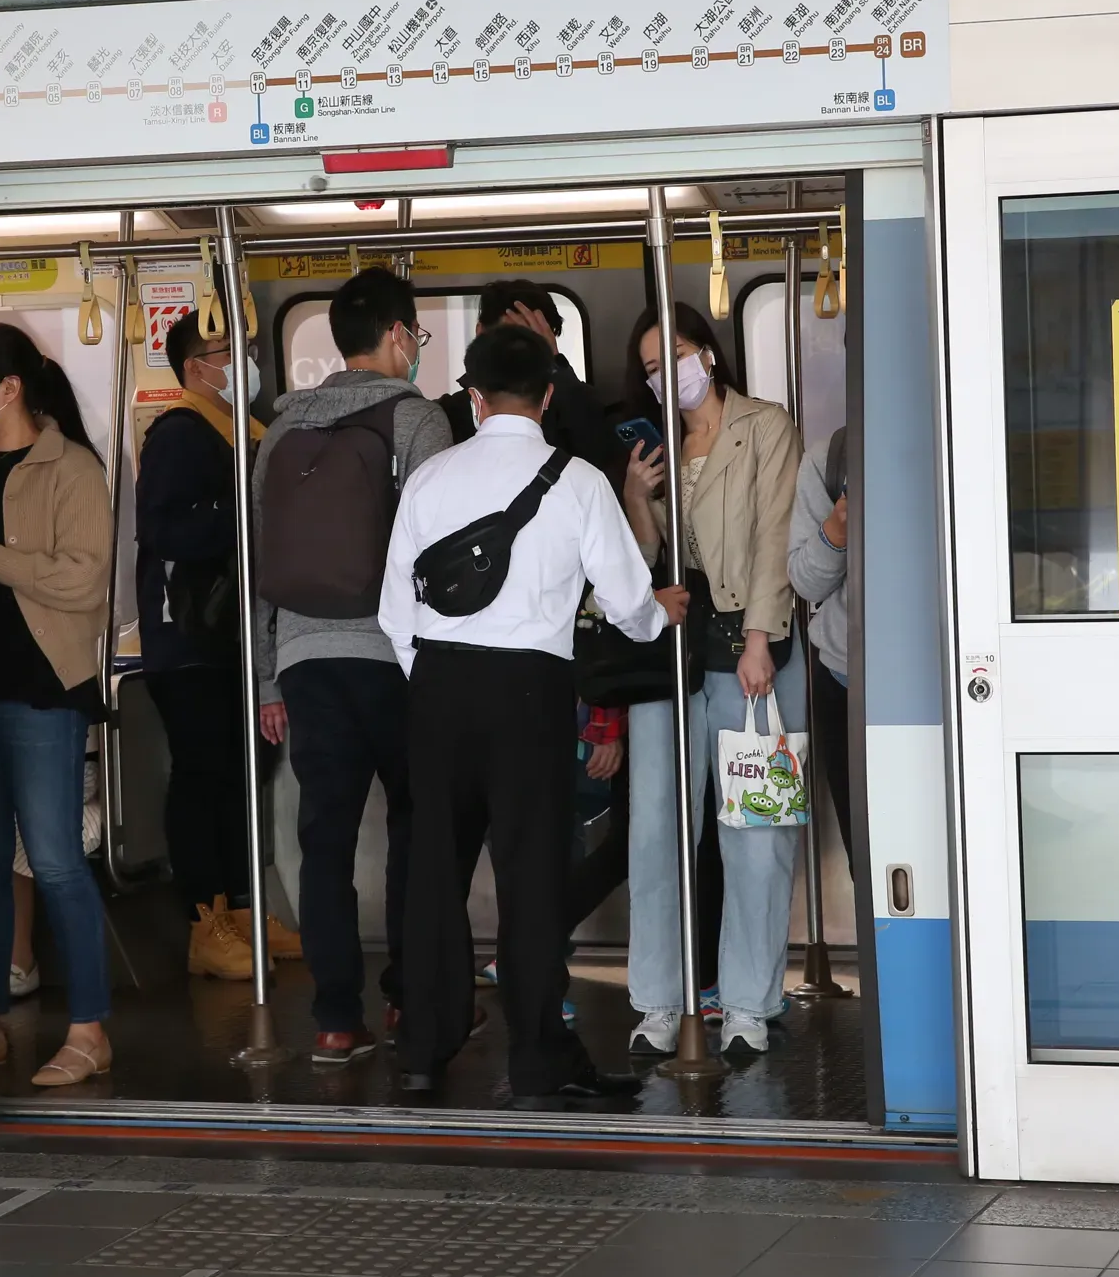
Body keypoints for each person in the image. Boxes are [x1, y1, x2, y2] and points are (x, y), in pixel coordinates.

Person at [379, 324, 689, 1110]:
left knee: (432, 879)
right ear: (549, 395)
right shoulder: (578, 480)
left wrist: (438, 678)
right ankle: (538, 1061)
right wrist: (661, 615)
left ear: (473, 399)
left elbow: (394, 615)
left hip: (440, 691)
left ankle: (422, 1051)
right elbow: (625, 604)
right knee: (532, 881)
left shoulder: (431, 479)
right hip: (531, 695)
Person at [250, 268, 454, 1064]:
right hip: (396, 658)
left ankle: (337, 1018)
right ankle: (408, 998)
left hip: (304, 658)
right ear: (400, 335)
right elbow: (443, 553)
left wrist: (270, 678)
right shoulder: (417, 419)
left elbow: (264, 561)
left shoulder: (281, 428)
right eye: (417, 337)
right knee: (416, 827)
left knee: (322, 839)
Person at [619, 302, 806, 1059]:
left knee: (755, 828)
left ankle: (749, 1003)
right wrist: (635, 495)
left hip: (746, 649)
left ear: (711, 352)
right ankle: (659, 999)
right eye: (653, 368)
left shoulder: (765, 426)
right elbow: (641, 566)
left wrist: (759, 636)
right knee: (657, 828)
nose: (669, 375)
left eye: (680, 356)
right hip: (671, 654)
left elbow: (773, 532)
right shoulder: (655, 446)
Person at [0, 322, 115, 1087]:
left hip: (43, 692)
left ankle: (88, 1030)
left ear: (7, 387)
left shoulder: (70, 468)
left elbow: (83, 579)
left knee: (52, 861)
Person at [136, 309, 302, 981]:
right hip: (191, 636)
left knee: (244, 777)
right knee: (204, 774)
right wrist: (245, 508)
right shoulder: (181, 434)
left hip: (239, 635)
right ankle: (206, 921)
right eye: (224, 349)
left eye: (247, 346)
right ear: (192, 366)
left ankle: (243, 906)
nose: (242, 359)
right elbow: (167, 529)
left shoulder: (251, 434)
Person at [437, 280, 622, 477]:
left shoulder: (575, 407)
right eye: (509, 338)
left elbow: (600, 454)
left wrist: (557, 366)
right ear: (481, 332)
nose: (520, 353)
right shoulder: (448, 414)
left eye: (532, 342)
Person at [786, 428, 858, 881]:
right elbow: (806, 583)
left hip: (954, 680)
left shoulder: (969, 424)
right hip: (847, 679)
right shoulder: (830, 459)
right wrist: (836, 530)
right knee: (868, 858)